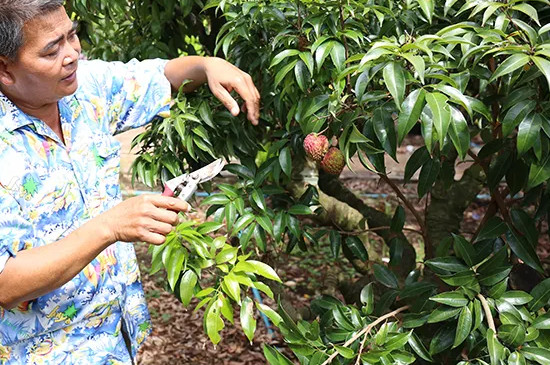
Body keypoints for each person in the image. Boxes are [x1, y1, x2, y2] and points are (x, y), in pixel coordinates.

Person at [0, 0, 260, 363]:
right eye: (51, 49)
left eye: (71, 35)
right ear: (5, 69)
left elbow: (163, 75)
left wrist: (207, 65)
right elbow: (6, 283)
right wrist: (109, 227)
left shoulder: (86, 89)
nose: (72, 54)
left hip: (117, 341)